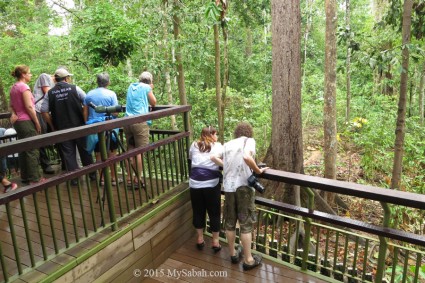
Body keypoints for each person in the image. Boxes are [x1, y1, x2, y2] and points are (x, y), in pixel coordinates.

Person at [211, 122, 268, 271]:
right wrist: (258, 170)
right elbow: (246, 157)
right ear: (249, 132)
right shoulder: (249, 141)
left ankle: (233, 254)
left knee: (230, 222)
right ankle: (248, 260)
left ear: (236, 133)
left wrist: (226, 166)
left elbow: (213, 157)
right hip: (243, 188)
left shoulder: (228, 144)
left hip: (228, 187)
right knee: (245, 224)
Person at [40, 68, 94, 185]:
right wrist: (85, 120)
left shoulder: (50, 93)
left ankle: (74, 180)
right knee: (85, 150)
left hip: (61, 128)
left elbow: (43, 110)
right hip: (78, 126)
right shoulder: (75, 88)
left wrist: (52, 125)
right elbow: (87, 102)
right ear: (66, 78)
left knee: (68, 154)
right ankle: (92, 175)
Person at [83, 72, 122, 186]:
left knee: (98, 154)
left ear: (97, 82)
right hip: (109, 127)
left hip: (94, 129)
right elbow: (115, 112)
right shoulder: (111, 94)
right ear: (108, 82)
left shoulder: (89, 94)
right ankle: (114, 178)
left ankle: (102, 179)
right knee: (112, 154)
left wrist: (87, 123)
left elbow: (85, 111)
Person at [189, 126, 223, 252]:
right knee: (214, 212)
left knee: (198, 211)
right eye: (216, 134)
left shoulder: (194, 144)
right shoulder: (218, 146)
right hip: (211, 184)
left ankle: (199, 239)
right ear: (212, 135)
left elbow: (192, 159)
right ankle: (215, 241)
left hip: (194, 183)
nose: (217, 137)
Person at [9, 65, 44, 184]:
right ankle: (35, 178)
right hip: (26, 121)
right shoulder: (24, 87)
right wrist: (37, 122)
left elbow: (12, 105)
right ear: (23, 75)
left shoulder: (13, 88)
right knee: (32, 149)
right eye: (29, 73)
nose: (31, 75)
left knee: (23, 148)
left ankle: (25, 176)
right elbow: (29, 107)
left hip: (18, 122)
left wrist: (14, 113)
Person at [123, 71, 156, 187]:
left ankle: (129, 178)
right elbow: (154, 102)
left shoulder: (132, 86)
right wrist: (150, 89)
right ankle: (137, 179)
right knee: (140, 152)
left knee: (130, 151)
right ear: (150, 81)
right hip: (140, 122)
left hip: (127, 122)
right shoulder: (146, 87)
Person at [33, 73, 55, 174]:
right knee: (41, 138)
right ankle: (46, 165)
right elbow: (48, 93)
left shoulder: (55, 84)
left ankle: (65, 162)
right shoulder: (44, 76)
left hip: (47, 112)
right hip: (39, 111)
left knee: (56, 135)